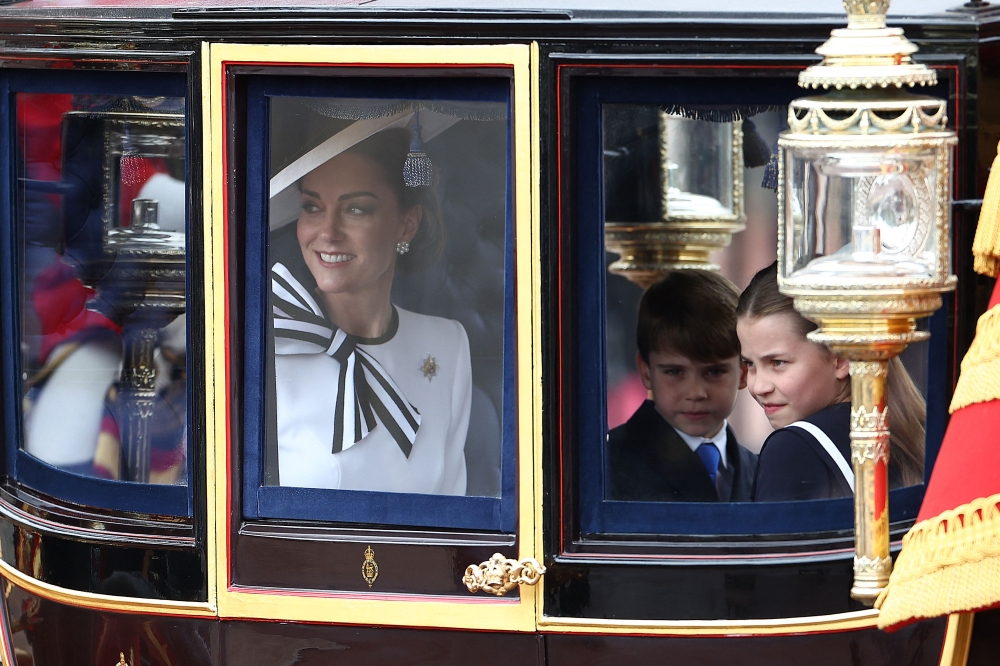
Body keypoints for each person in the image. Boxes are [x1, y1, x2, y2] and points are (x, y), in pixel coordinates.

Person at [270, 126, 472, 495]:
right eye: (313, 207)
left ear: (406, 225)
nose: (328, 232)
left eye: (355, 209)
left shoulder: (447, 345)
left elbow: (452, 513)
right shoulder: (267, 344)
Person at [737, 262, 925, 502]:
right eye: (750, 364)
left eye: (777, 362)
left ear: (841, 357)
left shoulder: (793, 449)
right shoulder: (915, 432)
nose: (758, 387)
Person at [607, 270, 758, 502]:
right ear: (646, 370)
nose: (695, 393)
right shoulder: (606, 466)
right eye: (675, 372)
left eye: (714, 371)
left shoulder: (762, 471)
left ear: (743, 372)